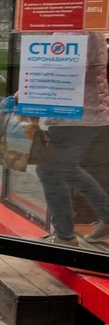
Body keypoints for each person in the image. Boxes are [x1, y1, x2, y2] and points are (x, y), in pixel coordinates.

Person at [35, 31, 109, 246]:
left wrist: (28, 92)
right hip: (79, 113)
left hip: (78, 114)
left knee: (49, 170)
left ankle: (64, 237)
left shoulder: (75, 29)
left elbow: (64, 73)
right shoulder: (76, 28)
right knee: (66, 168)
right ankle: (106, 215)